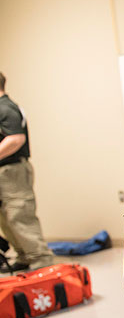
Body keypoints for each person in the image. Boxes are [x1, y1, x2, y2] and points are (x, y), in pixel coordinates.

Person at [0, 72, 55, 274]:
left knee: (19, 215)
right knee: (6, 218)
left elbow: (15, 139)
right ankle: (23, 255)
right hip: (4, 170)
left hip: (12, 171)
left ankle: (41, 261)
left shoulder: (5, 108)